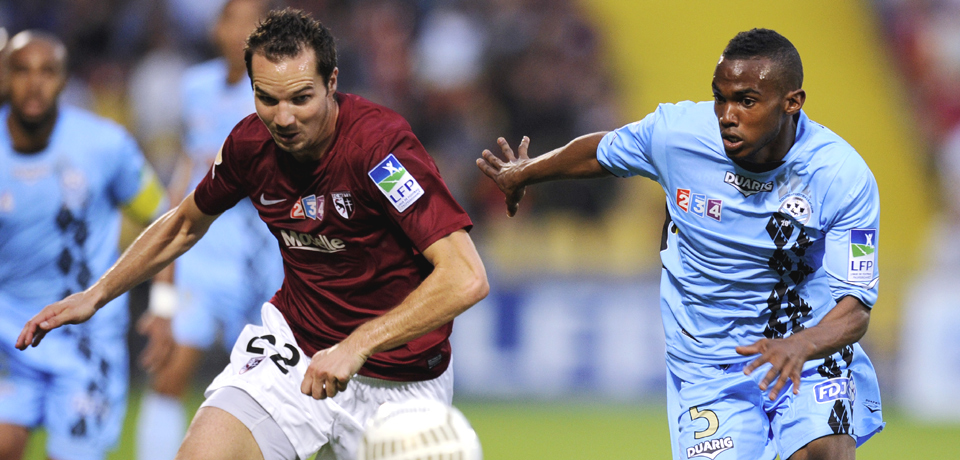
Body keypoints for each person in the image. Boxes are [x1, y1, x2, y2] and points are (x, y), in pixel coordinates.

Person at [18, 8, 489, 460]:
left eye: (301, 98)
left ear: (332, 83)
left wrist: (356, 345)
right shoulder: (250, 145)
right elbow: (183, 223)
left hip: (401, 382)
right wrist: (97, 294)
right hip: (294, 351)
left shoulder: (380, 152)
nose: (283, 118)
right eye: (267, 98)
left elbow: (465, 276)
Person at [477, 28, 884, 460]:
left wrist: (802, 345)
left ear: (792, 102)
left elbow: (855, 308)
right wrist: (525, 172)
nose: (727, 115)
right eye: (720, 98)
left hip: (806, 351)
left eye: (746, 101)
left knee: (822, 452)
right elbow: (602, 151)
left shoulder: (840, 175)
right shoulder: (678, 135)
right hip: (708, 362)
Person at [0, 31, 167, 460]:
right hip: (9, 340)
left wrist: (165, 308)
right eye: (21, 71)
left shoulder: (105, 145)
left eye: (47, 72)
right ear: (4, 77)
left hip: (86, 340)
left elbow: (163, 221)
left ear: (64, 80)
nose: (34, 84)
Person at [134, 2, 284, 459]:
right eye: (231, 20)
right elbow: (185, 176)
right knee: (168, 371)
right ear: (217, 28)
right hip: (199, 253)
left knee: (273, 392)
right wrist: (162, 294)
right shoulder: (195, 87)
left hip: (262, 259)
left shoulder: (280, 94)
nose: (240, 31)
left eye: (251, 22)